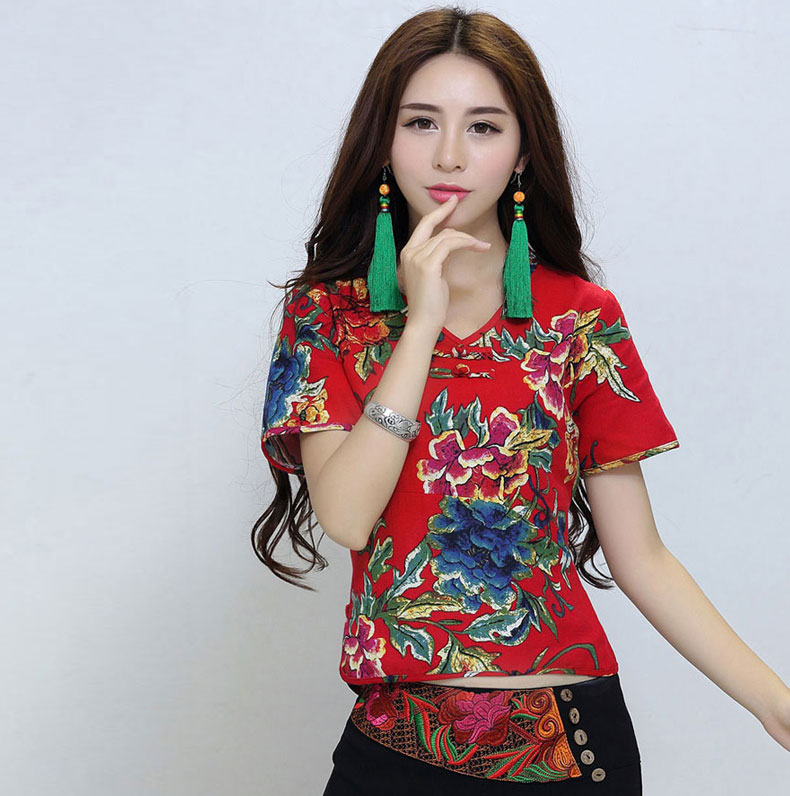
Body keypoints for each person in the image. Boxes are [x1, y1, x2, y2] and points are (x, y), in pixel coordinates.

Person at [254, 6, 790, 793]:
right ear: (383, 141)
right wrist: (421, 323)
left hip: (569, 745)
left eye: (483, 127)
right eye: (421, 122)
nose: (449, 153)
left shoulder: (580, 319)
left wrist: (775, 702)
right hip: (397, 748)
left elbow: (641, 558)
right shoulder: (326, 317)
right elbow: (346, 516)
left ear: (523, 152)